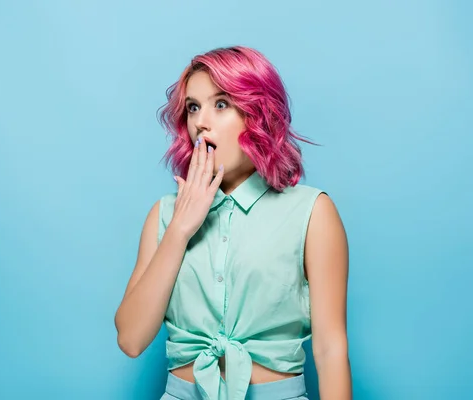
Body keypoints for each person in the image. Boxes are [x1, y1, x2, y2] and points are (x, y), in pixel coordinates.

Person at [114, 46, 352, 400]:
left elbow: (330, 350)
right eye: (193, 107)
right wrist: (180, 229)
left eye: (221, 104)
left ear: (258, 114)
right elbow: (131, 339)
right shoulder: (164, 216)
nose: (201, 122)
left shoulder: (312, 212)